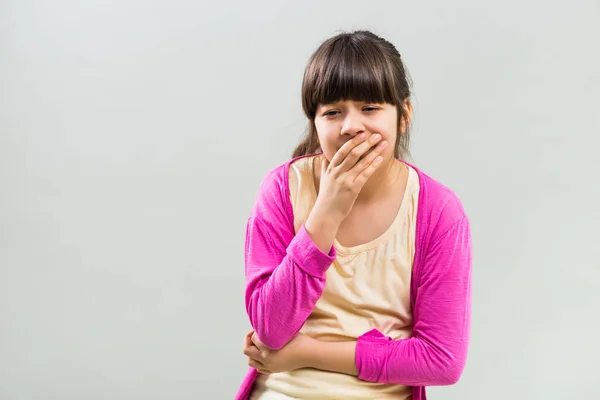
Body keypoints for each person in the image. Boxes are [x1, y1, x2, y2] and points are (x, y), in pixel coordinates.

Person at [235, 30, 472, 400]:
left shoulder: (437, 211)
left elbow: (441, 359)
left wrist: (309, 353)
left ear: (403, 115)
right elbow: (270, 328)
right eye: (332, 112)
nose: (351, 127)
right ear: (314, 123)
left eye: (370, 108)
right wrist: (327, 211)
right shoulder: (282, 188)